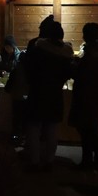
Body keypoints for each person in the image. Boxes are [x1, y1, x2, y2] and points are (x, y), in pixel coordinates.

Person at [18, 17, 74, 171]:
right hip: (55, 94)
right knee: (52, 129)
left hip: (37, 92)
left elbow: (29, 70)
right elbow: (69, 72)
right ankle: (49, 161)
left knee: (33, 128)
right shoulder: (66, 53)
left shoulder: (37, 49)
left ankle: (34, 161)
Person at [68, 22, 98, 170]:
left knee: (85, 128)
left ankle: (89, 160)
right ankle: (97, 159)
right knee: (91, 127)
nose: (82, 36)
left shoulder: (90, 52)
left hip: (85, 93)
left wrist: (73, 63)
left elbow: (79, 73)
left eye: (84, 33)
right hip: (96, 92)